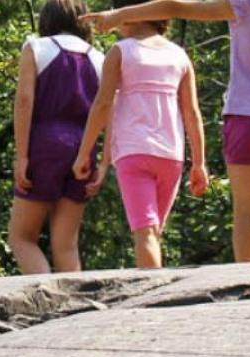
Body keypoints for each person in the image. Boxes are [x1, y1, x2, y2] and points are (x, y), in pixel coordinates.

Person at [83, 0, 250, 262]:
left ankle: (248, 284)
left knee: (247, 212)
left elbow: (176, 7)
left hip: (247, 118)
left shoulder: (247, 4)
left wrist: (119, 15)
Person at [70, 0, 208, 269]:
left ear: (130, 15)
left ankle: (154, 304)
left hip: (134, 152)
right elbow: (192, 112)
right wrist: (199, 162)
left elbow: (102, 104)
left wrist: (84, 152)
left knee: (145, 232)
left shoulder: (120, 52)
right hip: (171, 154)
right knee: (153, 232)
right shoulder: (180, 55)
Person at [9, 0, 105, 275]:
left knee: (22, 238)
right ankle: (75, 309)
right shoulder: (99, 57)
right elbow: (107, 110)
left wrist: (23, 155)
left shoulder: (36, 48)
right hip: (83, 147)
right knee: (66, 244)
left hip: (44, 143)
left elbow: (25, 101)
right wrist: (102, 161)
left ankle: (47, 298)